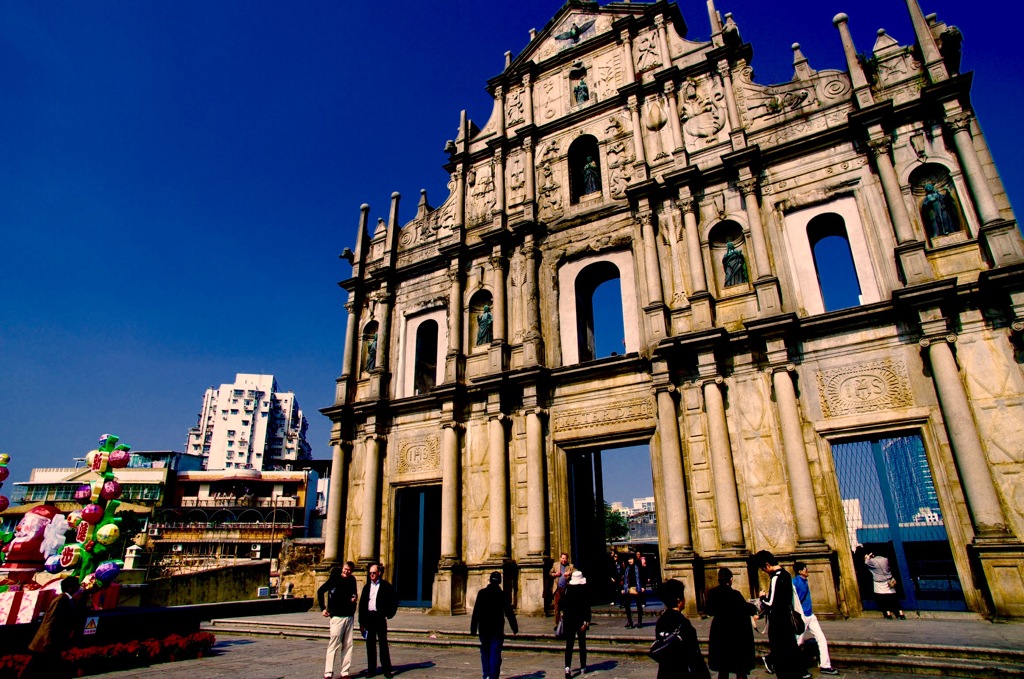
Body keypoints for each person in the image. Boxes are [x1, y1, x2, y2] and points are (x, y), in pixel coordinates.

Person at [753, 550, 805, 679]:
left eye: (763, 568)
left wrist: (762, 597)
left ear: (767, 565)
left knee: (780, 655)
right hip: (786, 620)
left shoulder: (777, 577)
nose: (764, 571)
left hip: (778, 624)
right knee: (789, 652)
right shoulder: (786, 574)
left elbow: (771, 602)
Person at [21, 575, 80, 679]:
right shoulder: (60, 600)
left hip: (53, 642)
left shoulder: (68, 599)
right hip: (46, 642)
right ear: (70, 587)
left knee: (41, 666)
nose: (79, 587)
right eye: (77, 585)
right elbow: (50, 621)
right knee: (35, 666)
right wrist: (48, 641)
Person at [705, 567, 757, 679]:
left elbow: (709, 611)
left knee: (723, 669)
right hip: (734, 634)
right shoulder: (735, 594)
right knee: (740, 668)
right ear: (731, 579)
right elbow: (747, 609)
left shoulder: (712, 593)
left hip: (719, 633)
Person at [654, 578, 710, 679]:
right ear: (679, 600)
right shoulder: (683, 622)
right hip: (681, 672)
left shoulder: (661, 621)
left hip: (664, 673)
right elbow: (694, 655)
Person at [470, 571, 519, 679]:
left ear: (490, 580)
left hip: (484, 628)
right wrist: (514, 627)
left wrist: (473, 628)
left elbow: (476, 611)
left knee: (485, 652)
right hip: (496, 629)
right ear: (500, 582)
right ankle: (492, 676)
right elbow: (509, 612)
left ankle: (486, 675)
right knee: (495, 653)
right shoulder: (502, 594)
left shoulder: (482, 593)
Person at [793, 562, 839, 675]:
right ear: (800, 572)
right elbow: (794, 600)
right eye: (805, 569)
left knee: (821, 638)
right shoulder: (796, 582)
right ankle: (781, 663)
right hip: (802, 616)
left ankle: (825, 665)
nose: (807, 570)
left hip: (810, 615)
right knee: (797, 643)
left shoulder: (804, 581)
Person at [319, 561, 358, 679]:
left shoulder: (352, 580)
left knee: (348, 645)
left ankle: (345, 672)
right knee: (334, 644)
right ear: (342, 568)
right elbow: (320, 591)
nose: (347, 571)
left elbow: (354, 593)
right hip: (337, 616)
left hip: (349, 616)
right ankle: (328, 673)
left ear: (352, 571)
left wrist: (354, 598)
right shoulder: (335, 579)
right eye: (345, 569)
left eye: (349, 570)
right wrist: (323, 608)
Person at [358, 562, 398, 678]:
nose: (372, 575)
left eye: (374, 573)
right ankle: (371, 669)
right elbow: (361, 606)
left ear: (379, 573)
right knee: (370, 645)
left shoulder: (386, 586)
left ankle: (387, 669)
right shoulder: (366, 587)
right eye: (370, 573)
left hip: (380, 617)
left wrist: (389, 614)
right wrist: (361, 623)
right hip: (369, 618)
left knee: (383, 644)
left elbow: (394, 601)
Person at [560, 569, 592, 678]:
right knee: (582, 644)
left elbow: (561, 604)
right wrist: (586, 622)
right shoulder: (584, 590)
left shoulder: (568, 590)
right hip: (580, 621)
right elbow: (587, 607)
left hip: (569, 621)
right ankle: (583, 667)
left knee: (569, 645)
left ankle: (567, 667)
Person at [864, 550, 905, 620]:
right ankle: (900, 613)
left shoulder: (873, 561)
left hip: (879, 582)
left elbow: (866, 562)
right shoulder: (886, 559)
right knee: (893, 597)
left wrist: (868, 556)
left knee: (883, 598)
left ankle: (887, 613)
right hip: (889, 581)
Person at [621, 552, 645, 628]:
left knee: (639, 605)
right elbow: (625, 579)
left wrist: (643, 586)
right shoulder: (627, 568)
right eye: (628, 559)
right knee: (627, 605)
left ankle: (639, 622)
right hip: (628, 588)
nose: (630, 561)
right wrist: (623, 588)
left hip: (636, 588)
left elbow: (642, 577)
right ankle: (630, 622)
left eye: (631, 559)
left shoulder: (638, 567)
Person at [550, 552, 571, 630]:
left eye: (565, 558)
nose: (564, 560)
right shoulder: (555, 565)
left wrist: (569, 573)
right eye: (562, 558)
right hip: (558, 589)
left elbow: (576, 572)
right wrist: (555, 574)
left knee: (566, 607)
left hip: (566, 589)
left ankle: (566, 622)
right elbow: (550, 573)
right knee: (557, 607)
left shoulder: (570, 566)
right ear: (560, 558)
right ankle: (557, 623)